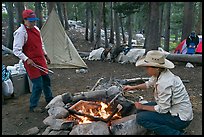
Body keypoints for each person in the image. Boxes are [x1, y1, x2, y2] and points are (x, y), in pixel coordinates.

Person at [123, 50, 193, 135]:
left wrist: (142, 106)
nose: (146, 69)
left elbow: (163, 109)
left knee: (141, 118)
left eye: (148, 67)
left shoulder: (164, 83)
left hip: (180, 119)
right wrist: (132, 88)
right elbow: (148, 84)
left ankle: (176, 133)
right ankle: (165, 128)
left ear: (157, 68)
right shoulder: (161, 73)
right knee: (140, 111)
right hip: (172, 109)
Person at [13, 9, 53, 112]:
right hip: (31, 62)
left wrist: (45, 54)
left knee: (46, 80)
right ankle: (33, 105)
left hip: (40, 59)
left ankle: (49, 99)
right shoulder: (20, 33)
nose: (33, 23)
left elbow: (41, 43)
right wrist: (27, 59)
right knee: (38, 84)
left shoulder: (36, 29)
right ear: (25, 20)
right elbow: (16, 50)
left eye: (34, 20)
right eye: (31, 21)